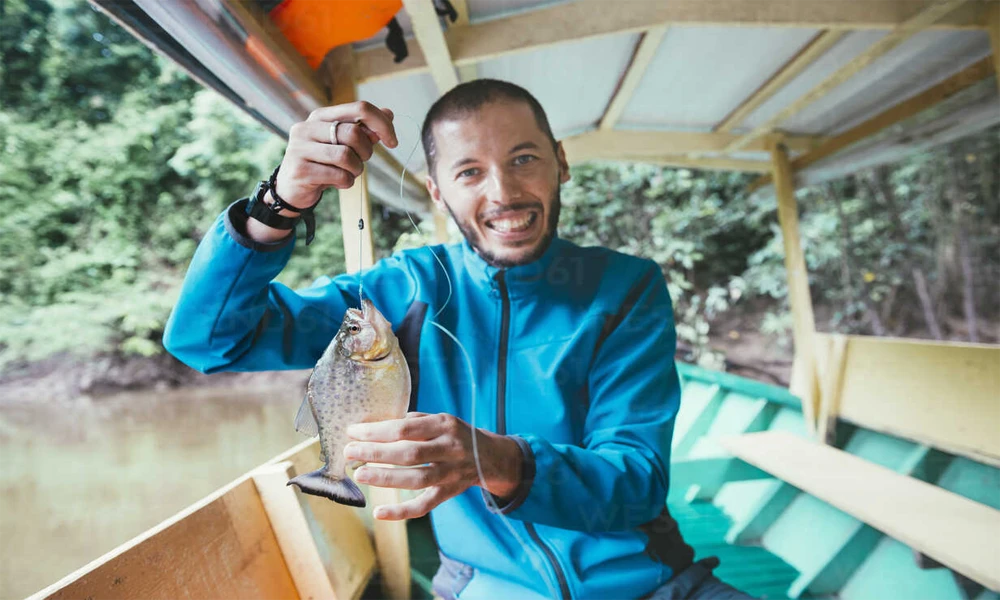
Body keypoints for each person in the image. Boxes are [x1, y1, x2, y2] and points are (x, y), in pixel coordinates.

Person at [162, 79, 753, 600]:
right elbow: (209, 342)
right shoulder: (398, 293)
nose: (503, 192)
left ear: (561, 163)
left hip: (654, 584)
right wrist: (279, 202)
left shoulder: (626, 287)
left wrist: (497, 460)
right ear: (438, 192)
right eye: (470, 172)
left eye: (524, 158)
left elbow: (638, 482)